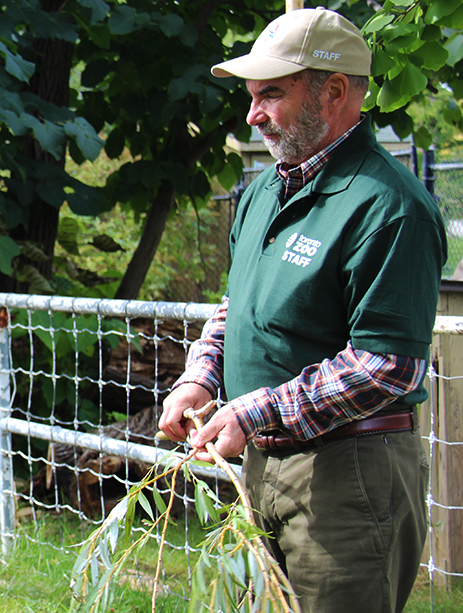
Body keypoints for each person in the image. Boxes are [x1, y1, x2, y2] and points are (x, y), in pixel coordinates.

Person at [158, 8, 446, 613]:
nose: (252, 115)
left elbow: (388, 366)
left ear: (335, 90)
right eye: (251, 96)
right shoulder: (263, 190)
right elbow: (239, 306)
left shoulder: (390, 207)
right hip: (259, 464)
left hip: (346, 478)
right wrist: (199, 379)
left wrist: (254, 410)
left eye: (270, 95)